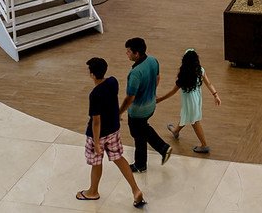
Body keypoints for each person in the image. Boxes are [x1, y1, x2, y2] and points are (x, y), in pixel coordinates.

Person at [77, 57, 147, 206]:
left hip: (98, 134)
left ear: (92, 75)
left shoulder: (95, 94)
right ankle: (135, 190)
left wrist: (96, 143)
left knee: (97, 162)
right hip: (113, 130)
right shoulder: (112, 82)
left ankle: (92, 192)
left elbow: (96, 121)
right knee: (118, 158)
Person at [119, 37, 171, 172]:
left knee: (138, 132)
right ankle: (141, 163)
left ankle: (162, 149)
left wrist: (119, 112)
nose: (127, 54)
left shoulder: (135, 73)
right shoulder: (153, 61)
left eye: (129, 52)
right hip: (151, 106)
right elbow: (158, 78)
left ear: (137, 54)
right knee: (141, 131)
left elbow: (130, 97)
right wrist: (151, 92)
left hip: (138, 111)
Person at [158, 49, 221, 155]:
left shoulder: (183, 75)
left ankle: (204, 145)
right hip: (196, 98)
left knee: (194, 121)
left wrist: (159, 99)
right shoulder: (200, 70)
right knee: (186, 115)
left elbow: (172, 92)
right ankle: (176, 131)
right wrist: (216, 95)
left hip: (189, 101)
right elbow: (209, 84)